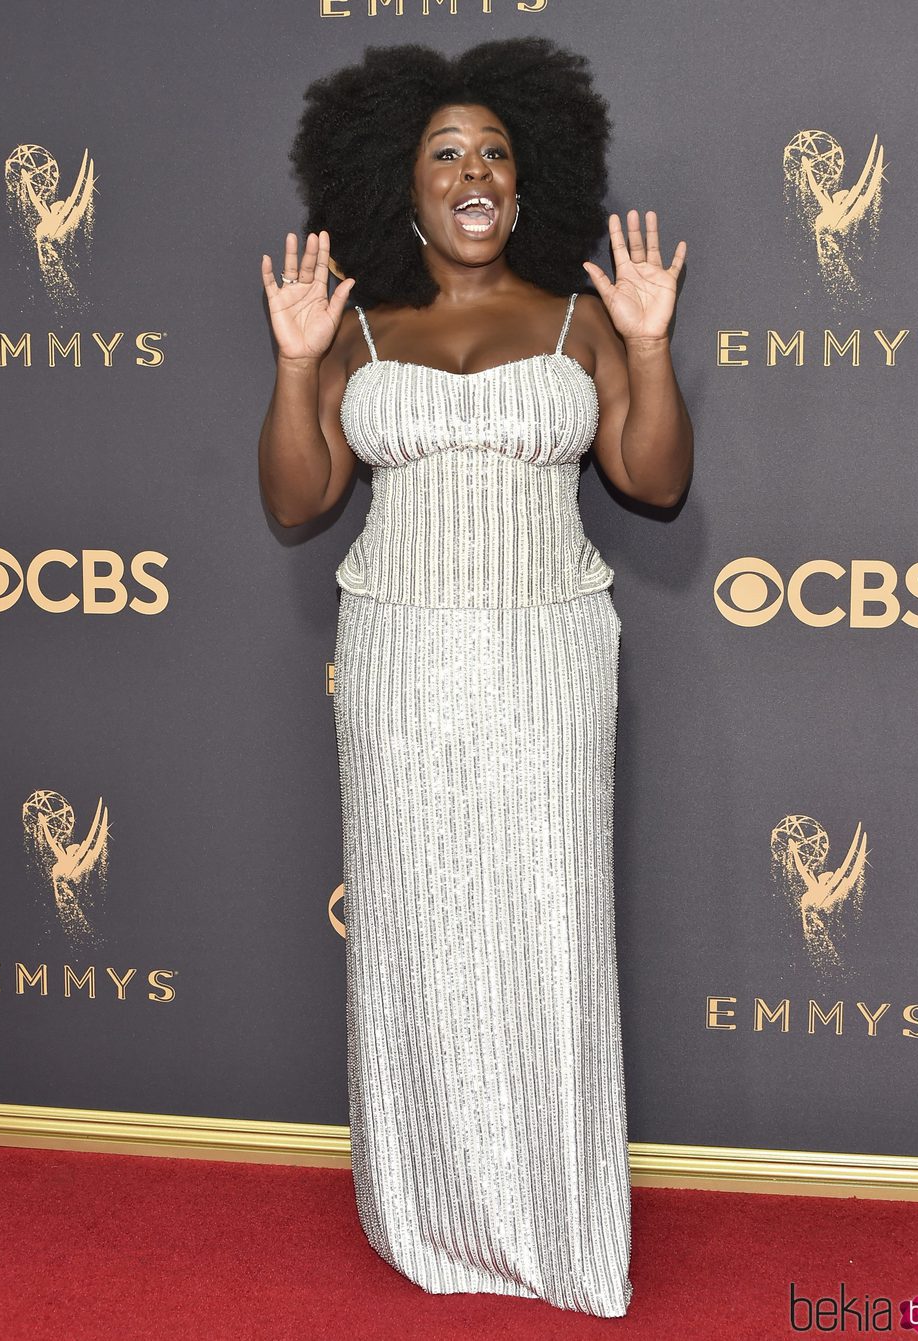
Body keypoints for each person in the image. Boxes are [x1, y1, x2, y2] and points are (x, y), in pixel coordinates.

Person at [258, 36, 693, 1319]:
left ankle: (554, 1218)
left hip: (549, 653)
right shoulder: (359, 329)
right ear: (398, 183)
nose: (473, 169)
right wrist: (294, 364)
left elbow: (652, 481)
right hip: (396, 655)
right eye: (444, 150)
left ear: (532, 178)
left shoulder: (578, 315)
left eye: (495, 151)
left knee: (545, 926)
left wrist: (650, 344)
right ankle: (428, 1204)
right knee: (416, 925)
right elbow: (299, 499)